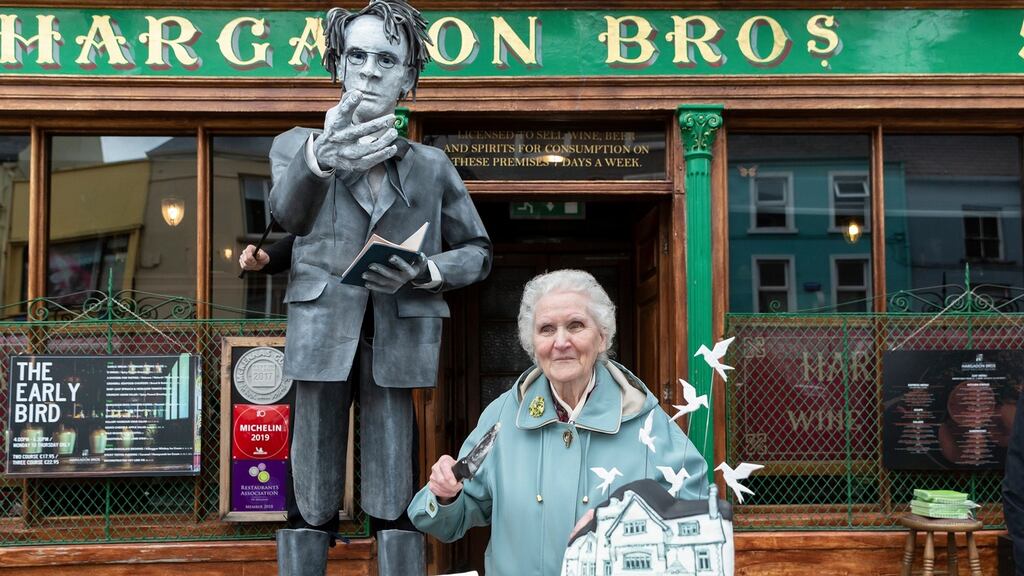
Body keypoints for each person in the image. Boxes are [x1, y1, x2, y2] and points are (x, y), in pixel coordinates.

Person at [267, 2, 492, 574]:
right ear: (338, 67)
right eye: (356, 56)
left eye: (386, 59)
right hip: (321, 334)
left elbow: (479, 252)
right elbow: (288, 217)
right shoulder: (296, 146)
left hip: (398, 337)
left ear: (409, 78)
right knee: (310, 487)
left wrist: (424, 271)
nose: (368, 70)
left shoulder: (432, 166)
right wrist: (319, 159)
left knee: (393, 487)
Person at [408, 269, 707, 576]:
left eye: (576, 325)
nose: (561, 342)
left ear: (602, 337)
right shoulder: (503, 417)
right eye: (547, 329)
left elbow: (696, 523)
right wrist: (446, 494)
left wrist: (623, 525)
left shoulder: (645, 420)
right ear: (532, 344)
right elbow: (451, 522)